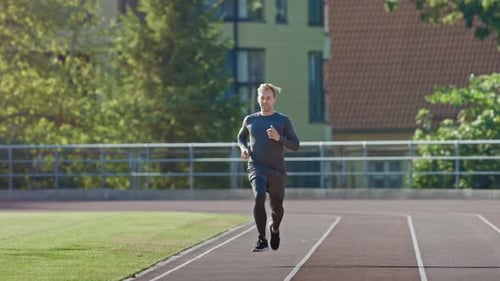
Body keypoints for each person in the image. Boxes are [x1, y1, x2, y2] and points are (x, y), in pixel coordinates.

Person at [237, 83, 300, 252]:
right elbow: (241, 137)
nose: (265, 101)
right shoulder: (250, 120)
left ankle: (275, 229)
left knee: (277, 208)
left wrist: (279, 138)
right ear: (258, 99)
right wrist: (244, 149)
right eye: (262, 98)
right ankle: (261, 238)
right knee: (258, 197)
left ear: (274, 100)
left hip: (277, 170)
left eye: (268, 98)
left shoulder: (282, 120)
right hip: (256, 167)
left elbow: (296, 145)